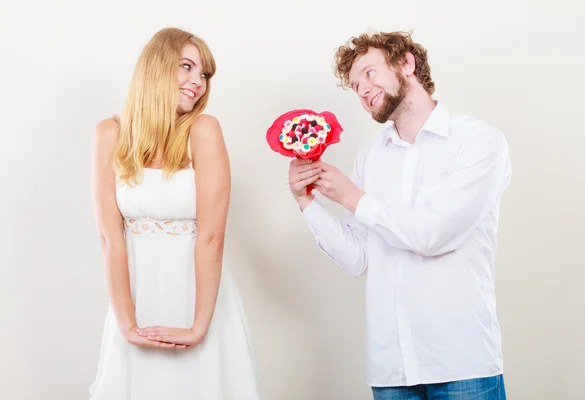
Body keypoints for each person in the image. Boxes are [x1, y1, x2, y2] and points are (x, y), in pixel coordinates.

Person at [288, 31, 511, 399]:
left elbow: (432, 235)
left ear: (406, 64)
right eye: (356, 85)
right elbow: (358, 258)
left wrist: (353, 197)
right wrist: (307, 202)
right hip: (391, 368)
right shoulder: (370, 157)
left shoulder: (477, 141)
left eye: (371, 74)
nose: (362, 90)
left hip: (461, 362)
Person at [89, 27, 261, 399]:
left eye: (204, 74)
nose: (197, 82)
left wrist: (199, 327)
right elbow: (109, 239)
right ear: (156, 66)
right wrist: (127, 325)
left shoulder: (203, 130)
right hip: (135, 299)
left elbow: (212, 237)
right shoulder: (108, 134)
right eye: (187, 67)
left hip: (199, 300)